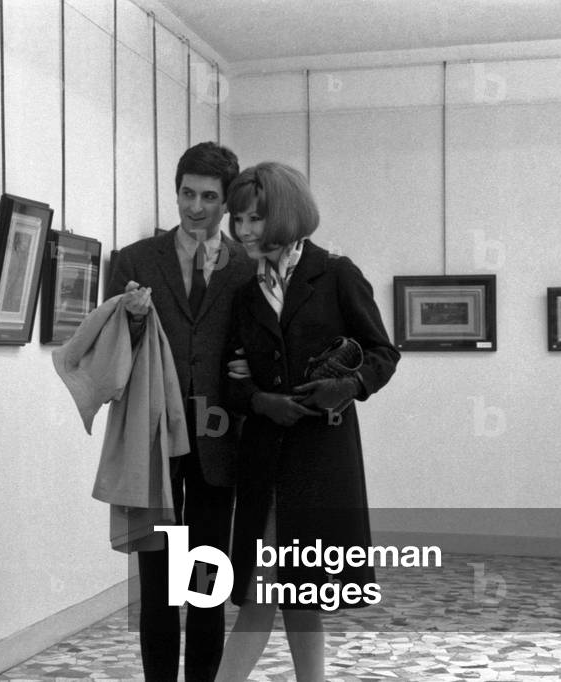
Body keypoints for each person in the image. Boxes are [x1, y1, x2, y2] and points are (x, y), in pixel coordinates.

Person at [215, 162, 400, 682]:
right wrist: (258, 400)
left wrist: (347, 386)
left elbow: (384, 353)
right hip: (264, 461)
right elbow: (232, 380)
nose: (245, 231)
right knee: (268, 587)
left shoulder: (336, 273)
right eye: (239, 220)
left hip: (321, 460)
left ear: (287, 216)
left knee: (293, 591)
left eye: (255, 219)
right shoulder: (246, 293)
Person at [107, 142, 255, 681]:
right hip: (154, 440)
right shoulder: (134, 261)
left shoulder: (247, 265)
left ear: (226, 202)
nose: (195, 207)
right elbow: (112, 347)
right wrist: (137, 321)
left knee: (206, 581)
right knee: (161, 581)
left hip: (221, 442)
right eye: (187, 193)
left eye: (209, 197)